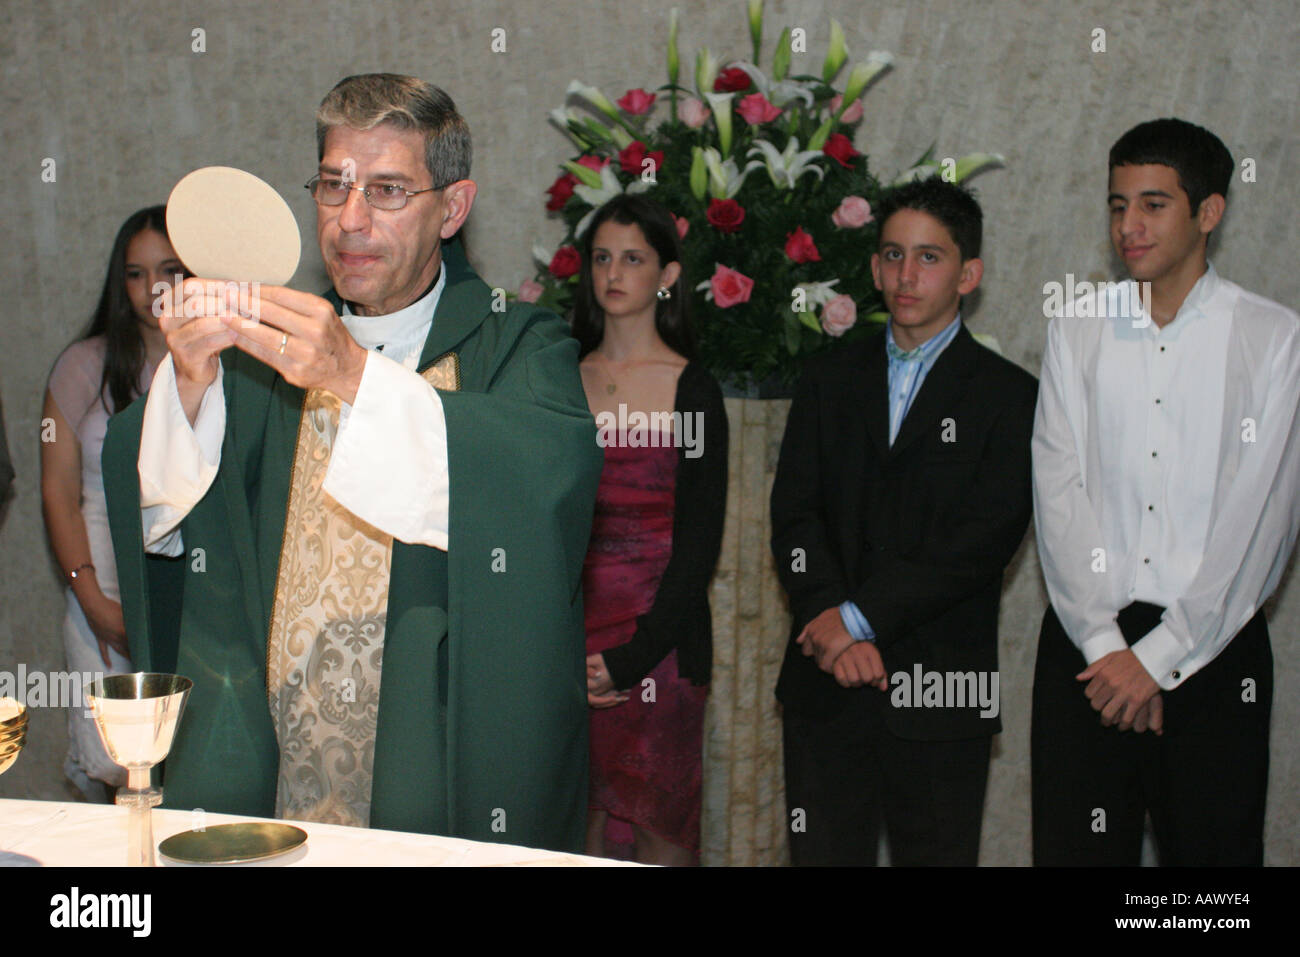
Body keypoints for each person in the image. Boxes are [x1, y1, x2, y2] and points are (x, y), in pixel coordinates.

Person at [102, 74, 603, 852]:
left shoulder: (518, 344)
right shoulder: (266, 354)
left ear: (454, 207)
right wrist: (194, 388)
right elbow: (171, 522)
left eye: (388, 189)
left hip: (428, 758)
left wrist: (350, 376)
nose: (351, 219)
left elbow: (547, 483)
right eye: (333, 186)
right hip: (281, 756)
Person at [1031, 118, 1300, 866]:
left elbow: (1262, 519)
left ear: (1208, 212)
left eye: (1153, 204)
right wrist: (1107, 644)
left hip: (1214, 651)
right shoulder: (1076, 327)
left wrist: (1163, 656)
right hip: (1087, 647)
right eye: (1118, 205)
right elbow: (1057, 484)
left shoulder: (1273, 338)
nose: (1129, 226)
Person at [771, 178, 1037, 866]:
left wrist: (858, 620)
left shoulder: (1012, 396)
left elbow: (979, 545)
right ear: (872, 267)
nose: (905, 274)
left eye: (929, 257)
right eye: (892, 255)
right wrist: (830, 619)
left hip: (942, 688)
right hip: (824, 682)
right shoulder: (829, 378)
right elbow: (795, 516)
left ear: (968, 274)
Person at [574, 196, 727, 865]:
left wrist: (630, 660)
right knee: (572, 836)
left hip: (659, 650)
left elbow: (699, 549)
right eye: (602, 257)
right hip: (569, 645)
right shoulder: (558, 376)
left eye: (633, 258)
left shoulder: (693, 387)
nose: (614, 272)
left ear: (667, 274)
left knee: (660, 834)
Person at [40, 205, 185, 800]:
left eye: (169, 269)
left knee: (188, 756)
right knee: (113, 760)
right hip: (99, 582)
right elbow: (57, 490)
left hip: (189, 585)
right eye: (134, 272)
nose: (151, 287)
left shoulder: (225, 363)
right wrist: (92, 597)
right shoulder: (82, 365)